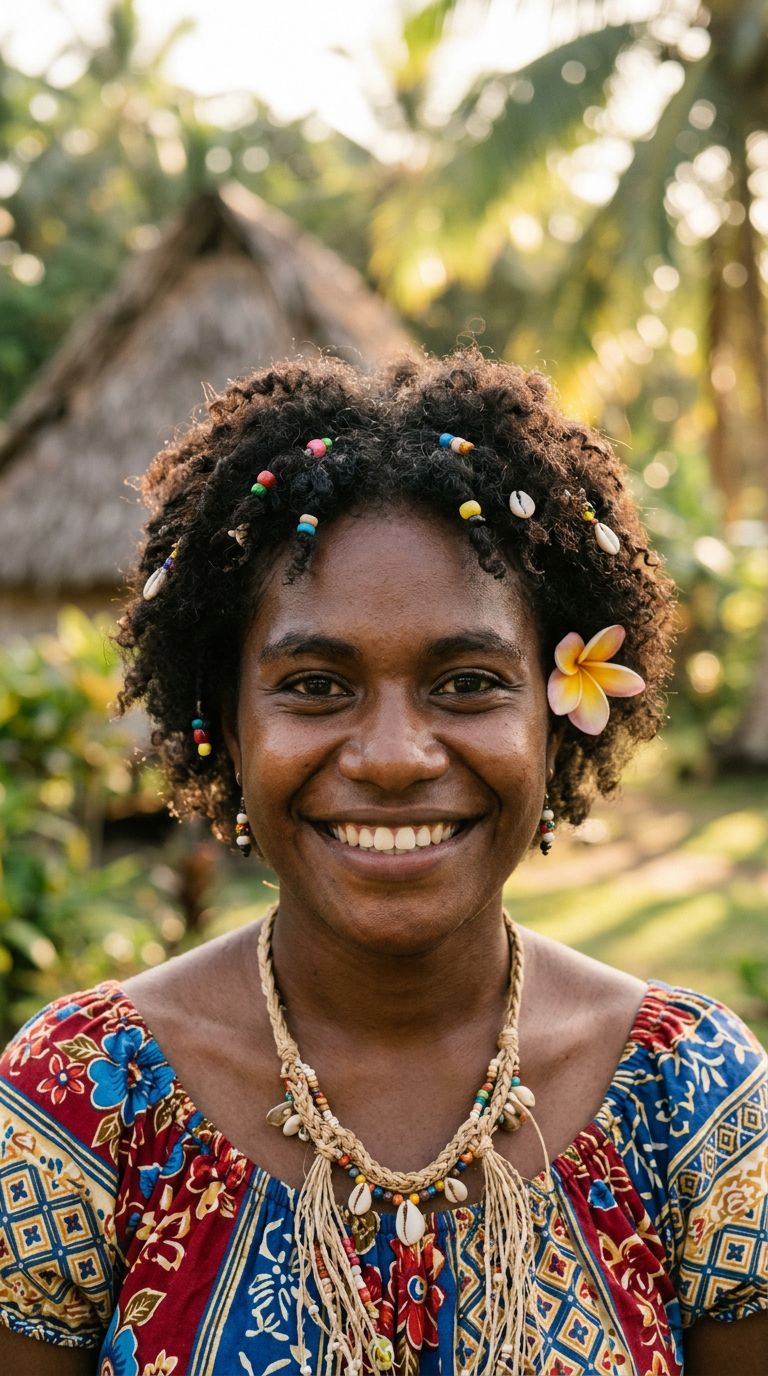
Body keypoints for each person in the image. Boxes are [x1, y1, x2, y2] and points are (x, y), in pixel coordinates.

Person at [0, 351, 765, 1376]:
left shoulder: (691, 1098)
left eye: (466, 681)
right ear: (224, 721)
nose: (396, 757)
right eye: (316, 684)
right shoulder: (81, 1102)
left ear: (558, 711)